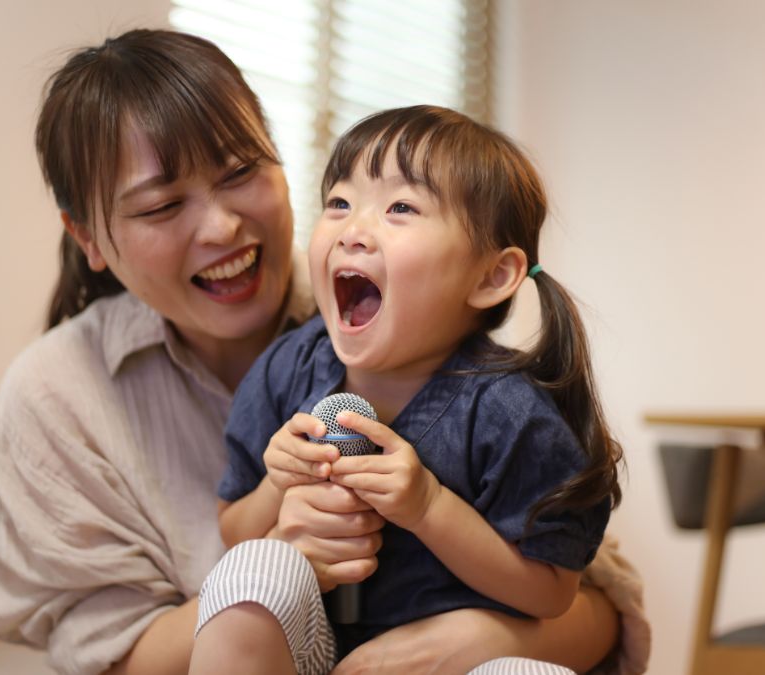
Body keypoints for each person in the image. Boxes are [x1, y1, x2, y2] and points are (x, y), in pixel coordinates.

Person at [0, 28, 648, 675]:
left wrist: (479, 636)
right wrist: (277, 557)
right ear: (87, 236)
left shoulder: (432, 343)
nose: (222, 226)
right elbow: (108, 656)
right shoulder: (55, 393)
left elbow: (587, 590)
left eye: (241, 170)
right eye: (161, 206)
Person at [192, 105, 636, 675]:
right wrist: (278, 485)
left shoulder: (511, 414)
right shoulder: (289, 367)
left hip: (452, 659)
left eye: (401, 207)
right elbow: (234, 528)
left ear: (491, 276)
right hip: (313, 654)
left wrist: (428, 507)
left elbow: (550, 594)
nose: (353, 230)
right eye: (339, 203)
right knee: (251, 567)